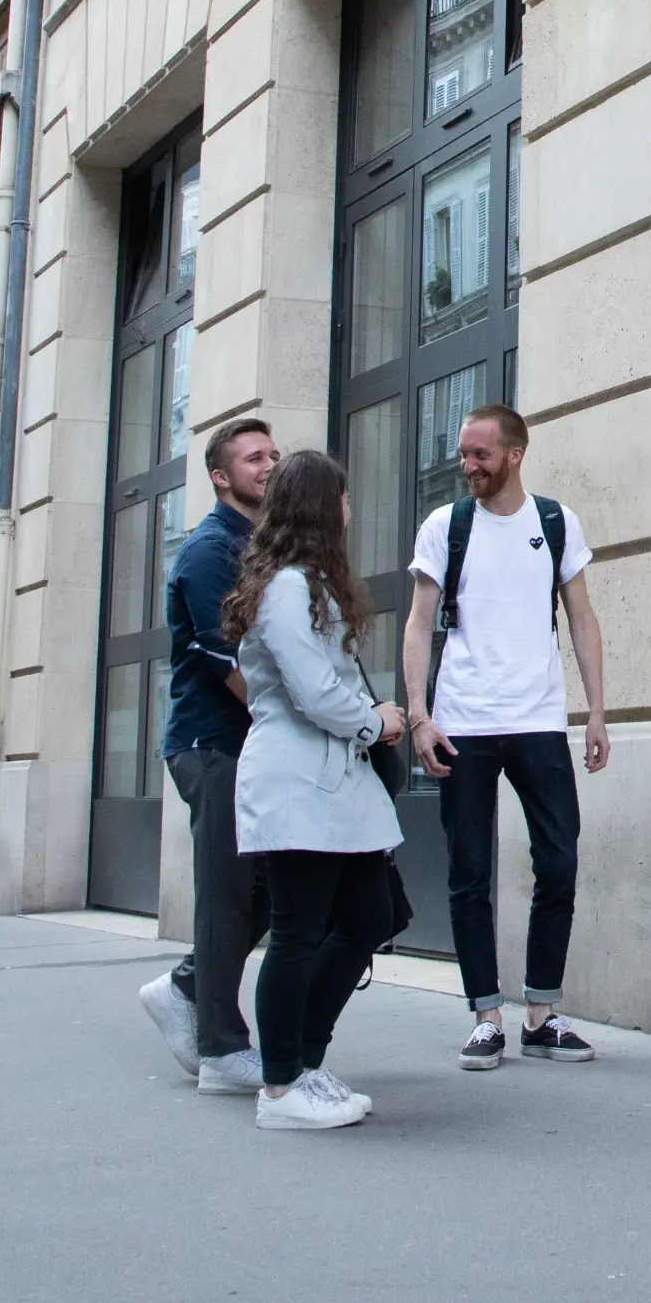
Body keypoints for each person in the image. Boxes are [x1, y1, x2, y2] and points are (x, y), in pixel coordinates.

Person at [401, 403, 609, 1072]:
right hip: (465, 720)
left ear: (514, 453)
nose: (466, 465)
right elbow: (417, 623)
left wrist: (597, 711)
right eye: (463, 453)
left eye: (479, 454)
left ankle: (542, 1013)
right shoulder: (446, 525)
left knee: (559, 862)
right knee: (470, 872)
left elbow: (582, 619)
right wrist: (419, 713)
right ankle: (486, 1015)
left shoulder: (555, 522)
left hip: (540, 720)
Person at [229, 449, 408, 1130]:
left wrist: (367, 722)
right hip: (299, 780)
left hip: (333, 782)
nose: (349, 508)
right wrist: (377, 720)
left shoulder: (307, 586)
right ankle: (281, 1086)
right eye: (343, 497)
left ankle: (304, 1061)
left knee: (368, 916)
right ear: (319, 506)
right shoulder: (284, 590)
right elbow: (312, 691)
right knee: (299, 932)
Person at [140, 418, 279, 1093]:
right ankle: (222, 1048)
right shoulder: (209, 552)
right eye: (255, 457)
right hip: (212, 744)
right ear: (221, 475)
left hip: (252, 746)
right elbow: (233, 664)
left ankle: (186, 985)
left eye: (274, 454)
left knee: (268, 891)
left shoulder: (261, 546)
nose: (270, 465)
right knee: (228, 892)